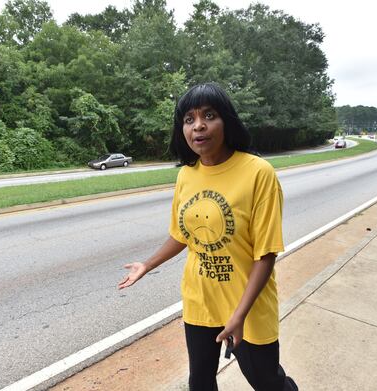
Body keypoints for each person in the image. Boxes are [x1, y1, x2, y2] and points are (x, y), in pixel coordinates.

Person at [118, 83, 297, 391]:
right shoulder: (186, 175)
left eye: (209, 115)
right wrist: (147, 265)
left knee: (268, 382)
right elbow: (182, 235)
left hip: (247, 306)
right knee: (199, 382)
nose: (198, 125)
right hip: (200, 299)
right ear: (182, 129)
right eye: (189, 119)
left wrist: (238, 316)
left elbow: (265, 255)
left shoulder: (258, 173)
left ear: (226, 121)